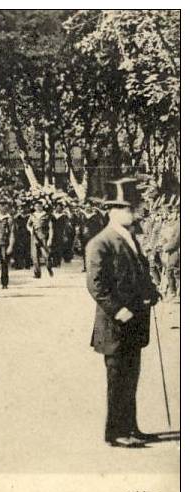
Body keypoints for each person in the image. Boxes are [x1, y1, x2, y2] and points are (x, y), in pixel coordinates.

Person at [85, 178, 160, 448]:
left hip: (136, 322)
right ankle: (115, 432)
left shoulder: (130, 238)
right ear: (113, 211)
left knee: (131, 377)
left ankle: (131, 427)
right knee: (117, 380)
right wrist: (119, 311)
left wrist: (152, 291)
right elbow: (96, 286)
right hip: (115, 325)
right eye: (129, 208)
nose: (134, 213)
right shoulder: (100, 242)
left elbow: (141, 273)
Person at [27, 199, 54, 278]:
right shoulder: (32, 215)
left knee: (46, 255)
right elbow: (28, 225)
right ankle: (37, 273)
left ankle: (49, 268)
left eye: (40, 206)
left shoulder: (47, 215)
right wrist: (30, 229)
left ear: (42, 207)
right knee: (34, 255)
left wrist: (50, 239)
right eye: (36, 206)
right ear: (34, 207)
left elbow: (51, 228)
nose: (38, 208)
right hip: (34, 236)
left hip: (44, 236)